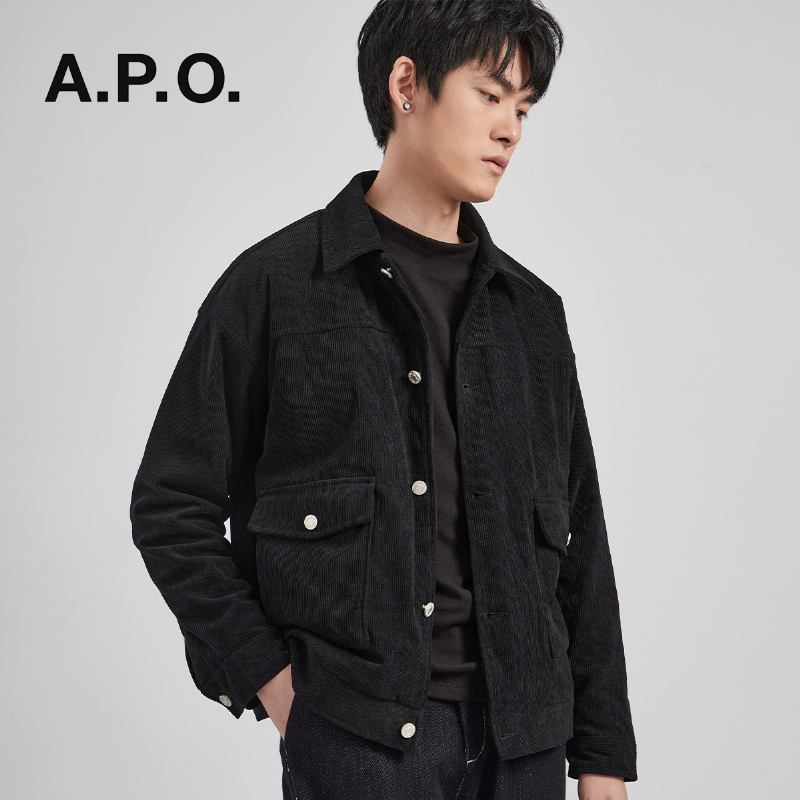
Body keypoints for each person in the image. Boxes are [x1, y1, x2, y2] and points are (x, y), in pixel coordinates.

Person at [130, 1, 638, 798]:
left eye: (523, 108)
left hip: (528, 742)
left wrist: (602, 756)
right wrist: (276, 685)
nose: (510, 129)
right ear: (407, 85)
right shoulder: (276, 287)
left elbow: (581, 538)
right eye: (490, 94)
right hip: (361, 741)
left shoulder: (532, 314)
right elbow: (171, 505)